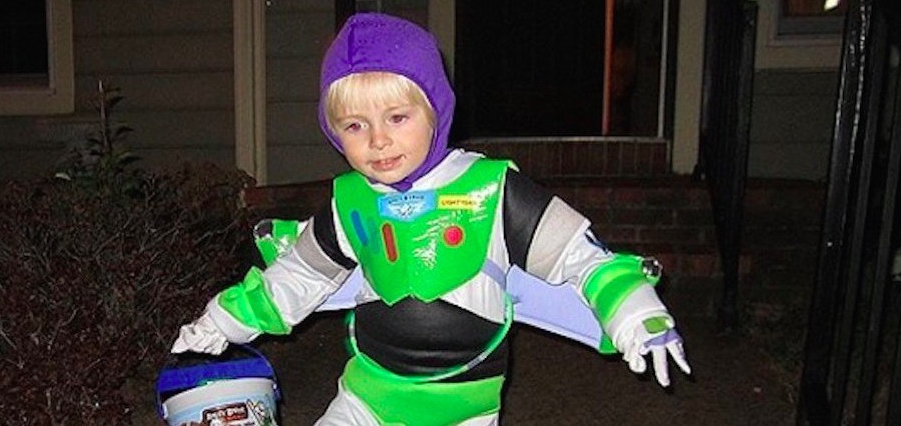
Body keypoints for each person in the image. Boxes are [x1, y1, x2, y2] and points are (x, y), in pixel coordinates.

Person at [172, 13, 690, 425]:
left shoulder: (493, 191)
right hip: (367, 398)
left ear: (435, 109)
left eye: (397, 117)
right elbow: (298, 275)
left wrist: (635, 312)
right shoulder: (349, 203)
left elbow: (582, 256)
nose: (378, 141)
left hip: (465, 408)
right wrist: (223, 320)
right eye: (354, 125)